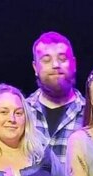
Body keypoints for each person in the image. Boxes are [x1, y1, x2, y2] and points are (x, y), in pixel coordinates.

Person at [26, 31, 85, 165]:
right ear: (35, 67)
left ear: (74, 64)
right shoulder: (21, 112)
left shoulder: (91, 114)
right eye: (46, 60)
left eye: (62, 58)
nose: (55, 65)